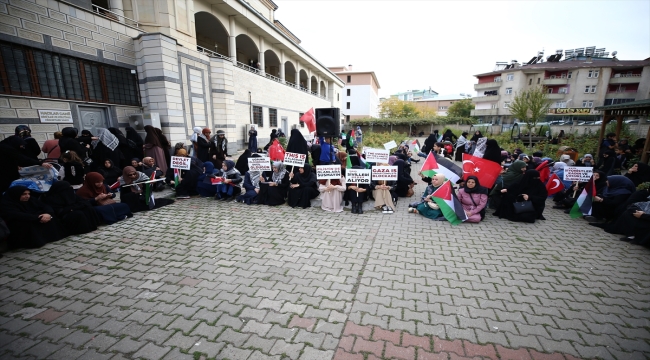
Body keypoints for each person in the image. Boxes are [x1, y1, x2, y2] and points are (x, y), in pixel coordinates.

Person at [0, 186, 66, 249]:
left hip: (34, 216)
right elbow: (16, 215)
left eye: (28, 194)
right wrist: (37, 217)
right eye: (24, 194)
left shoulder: (31, 200)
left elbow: (45, 206)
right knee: (28, 223)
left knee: (51, 217)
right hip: (18, 222)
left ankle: (50, 237)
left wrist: (48, 214)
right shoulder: (7, 203)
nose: (27, 196)